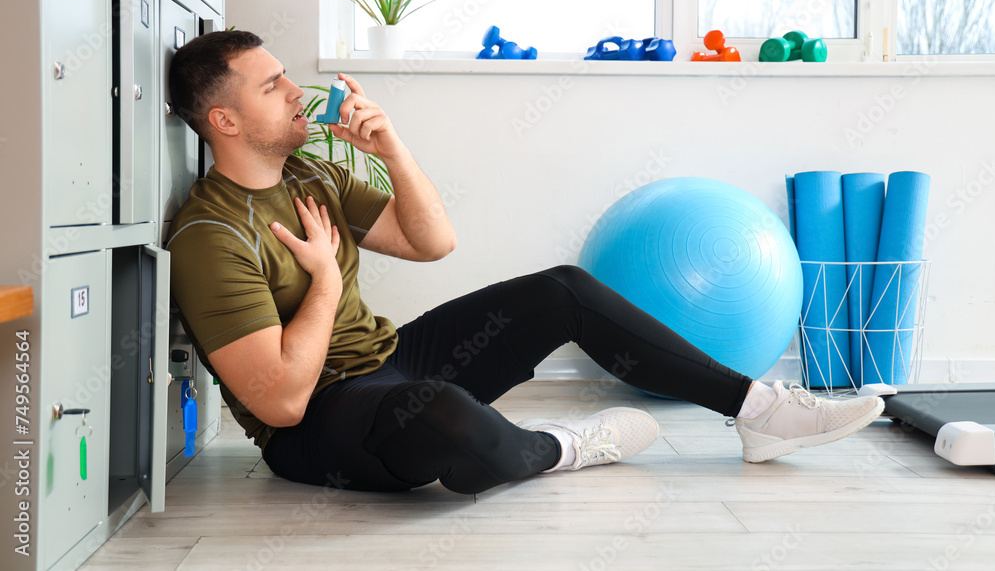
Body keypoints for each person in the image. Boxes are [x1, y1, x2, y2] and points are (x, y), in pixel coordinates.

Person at [165, 30, 884, 494]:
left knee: (562, 289)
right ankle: (564, 446)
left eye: (286, 74)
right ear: (223, 121)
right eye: (271, 87)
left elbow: (430, 241)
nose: (297, 92)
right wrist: (324, 280)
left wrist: (392, 150)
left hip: (392, 360)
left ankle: (759, 410)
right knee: (445, 415)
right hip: (319, 421)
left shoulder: (310, 175)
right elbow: (281, 402)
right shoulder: (210, 235)